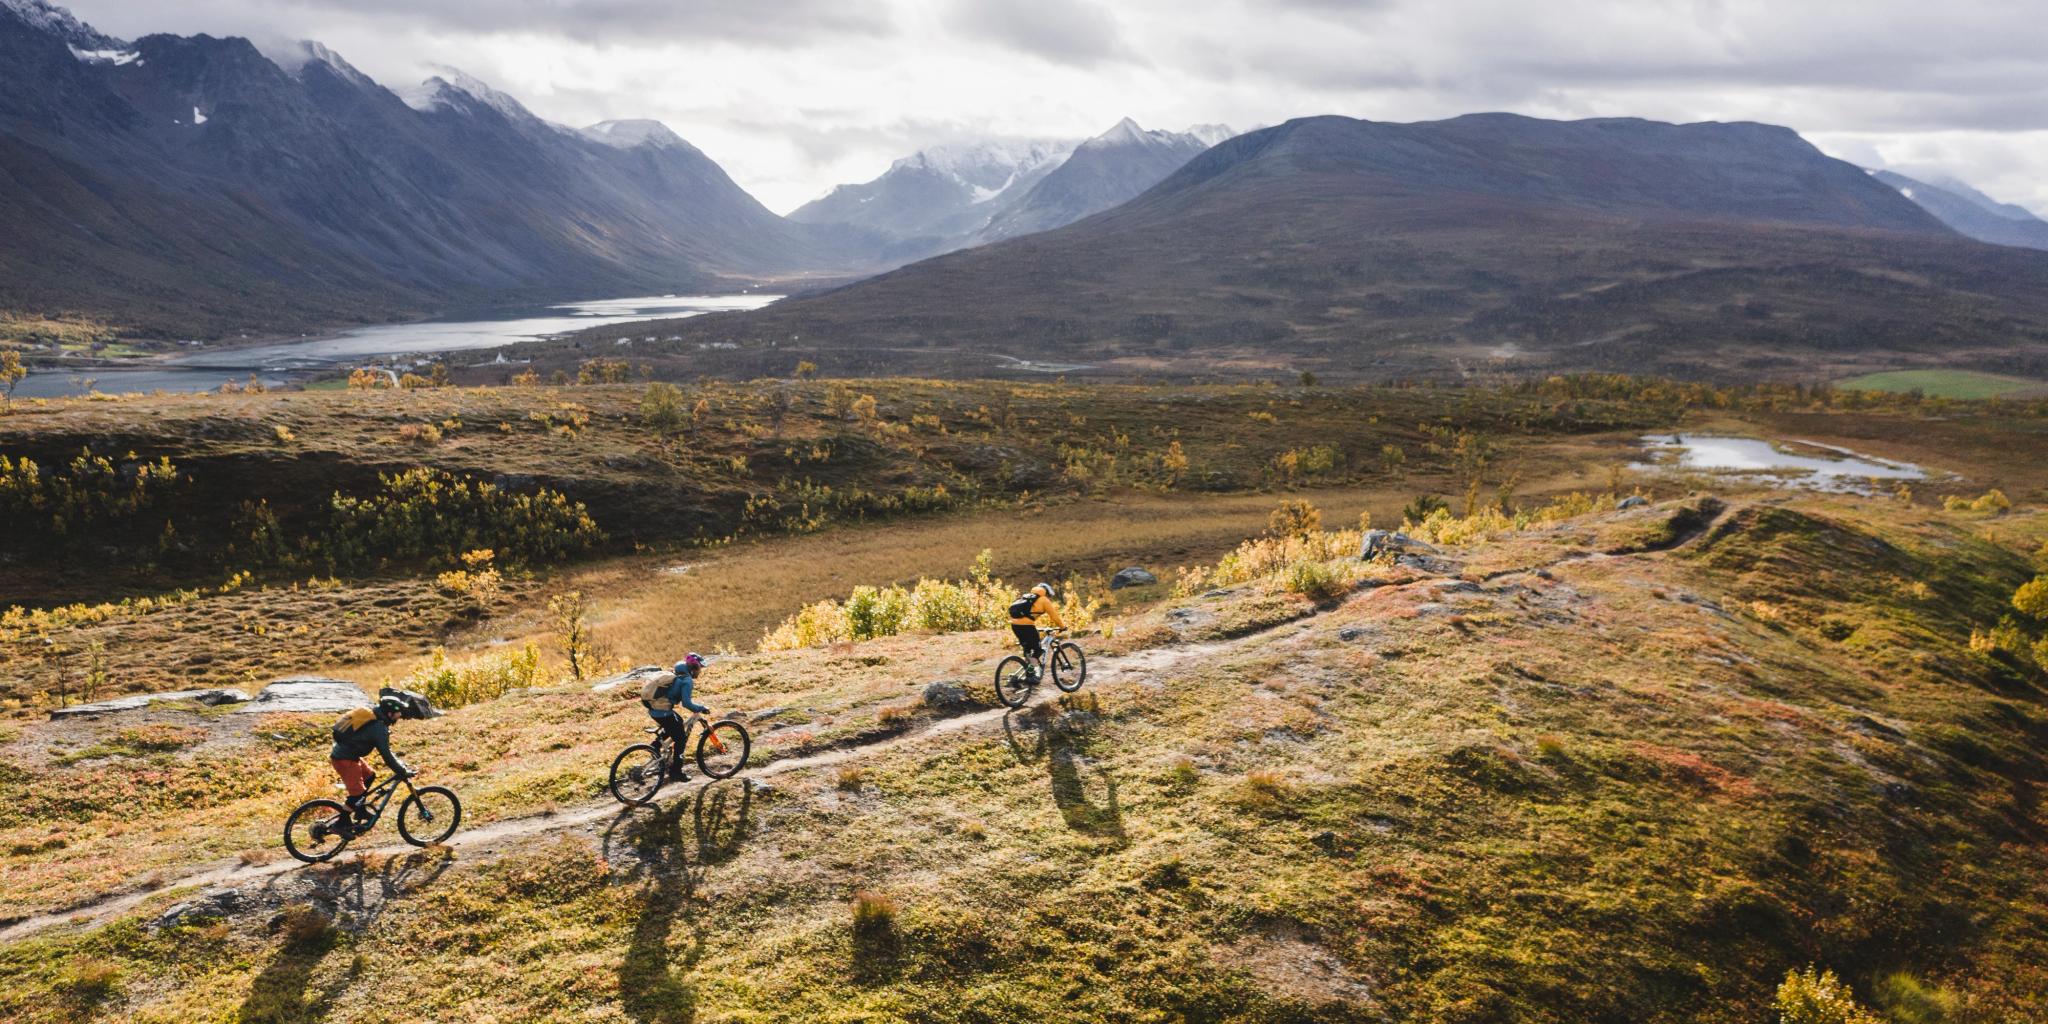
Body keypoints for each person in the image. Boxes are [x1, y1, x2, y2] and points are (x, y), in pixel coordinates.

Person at [330, 694, 412, 833]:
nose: (399, 716)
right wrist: (401, 770)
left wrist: (399, 764)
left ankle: (359, 810)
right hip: (345, 759)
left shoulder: (374, 717)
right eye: (398, 713)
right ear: (390, 713)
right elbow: (386, 755)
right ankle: (340, 824)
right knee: (357, 794)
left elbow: (388, 752)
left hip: (348, 754)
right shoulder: (378, 728)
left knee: (369, 776)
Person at [647, 653, 711, 777]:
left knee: (677, 723)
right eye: (700, 668)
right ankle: (676, 772)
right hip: (663, 711)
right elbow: (686, 703)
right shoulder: (687, 681)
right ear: (694, 667)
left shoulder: (677, 672)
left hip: (654, 708)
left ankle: (655, 746)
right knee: (680, 738)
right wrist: (701, 708)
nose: (700, 672)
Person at [1008, 582, 1065, 679]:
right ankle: (1031, 674)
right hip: (1027, 626)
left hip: (1014, 625)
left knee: (1028, 649)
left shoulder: (1026, 597)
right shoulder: (1044, 600)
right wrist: (1062, 626)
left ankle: (1028, 671)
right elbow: (1054, 616)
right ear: (1046, 592)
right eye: (1049, 595)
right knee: (1038, 650)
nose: (1049, 598)